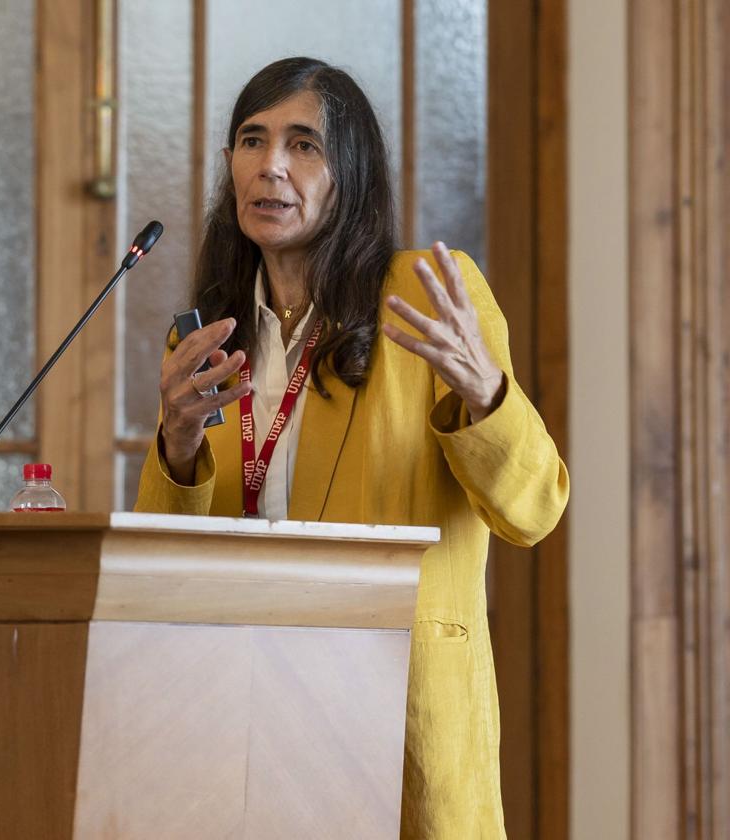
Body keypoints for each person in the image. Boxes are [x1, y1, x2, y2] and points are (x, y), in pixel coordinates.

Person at [134, 56, 569, 838]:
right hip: (246, 715)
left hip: (394, 711)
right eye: (251, 139)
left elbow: (534, 511)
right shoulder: (211, 334)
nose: (271, 165)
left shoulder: (426, 296)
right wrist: (175, 443)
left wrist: (485, 394)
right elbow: (160, 568)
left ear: (352, 174)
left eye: (305, 144)